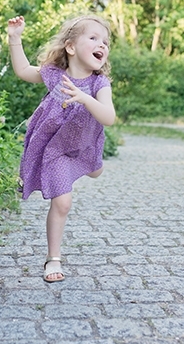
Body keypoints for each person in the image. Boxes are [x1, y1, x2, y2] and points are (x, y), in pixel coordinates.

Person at [7, 14, 116, 283]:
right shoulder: (55, 76)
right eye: (93, 38)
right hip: (55, 148)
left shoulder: (98, 84)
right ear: (70, 47)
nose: (101, 44)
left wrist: (85, 98)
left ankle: (91, 164)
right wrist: (15, 38)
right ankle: (53, 258)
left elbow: (109, 117)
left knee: (94, 170)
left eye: (105, 42)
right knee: (63, 203)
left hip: (85, 144)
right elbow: (23, 71)